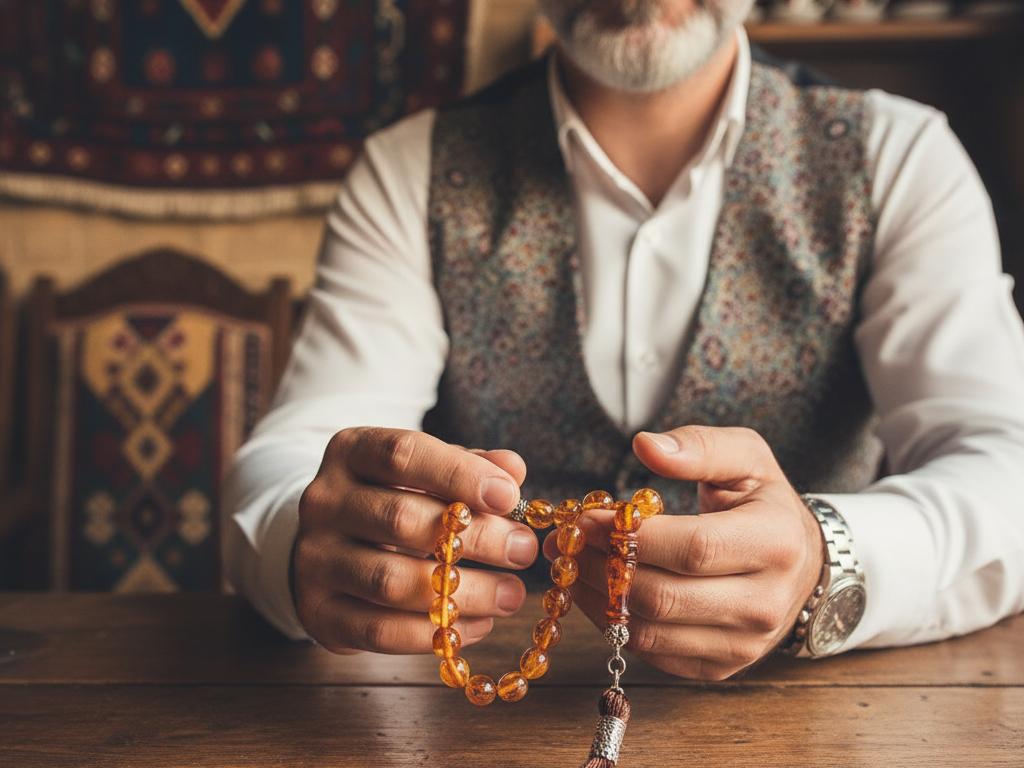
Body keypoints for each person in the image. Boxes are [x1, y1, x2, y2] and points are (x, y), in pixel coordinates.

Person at [224, 0, 1024, 678]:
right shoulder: (409, 172)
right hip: (479, 728)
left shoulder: (900, 161)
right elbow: (299, 452)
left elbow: (1006, 461)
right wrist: (305, 545)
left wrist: (827, 561)